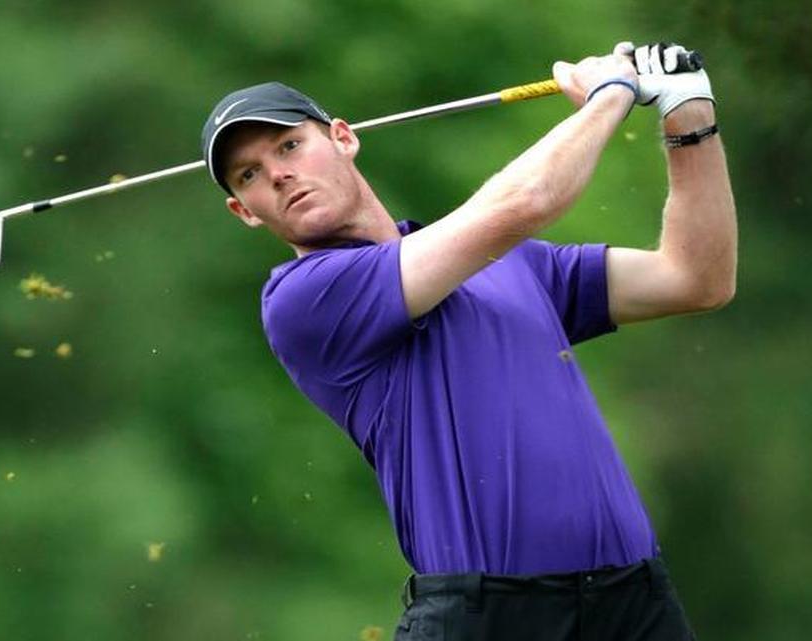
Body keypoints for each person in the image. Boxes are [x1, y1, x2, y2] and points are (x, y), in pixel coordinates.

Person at [199, 41, 735, 640]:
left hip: (635, 605)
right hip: (488, 619)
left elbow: (696, 278)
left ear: (343, 138)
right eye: (250, 174)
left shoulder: (514, 264)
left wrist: (689, 116)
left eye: (289, 146)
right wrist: (611, 95)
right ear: (244, 211)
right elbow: (526, 201)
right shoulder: (304, 299)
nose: (278, 174)